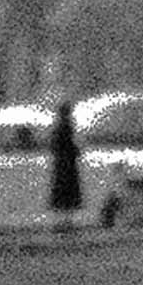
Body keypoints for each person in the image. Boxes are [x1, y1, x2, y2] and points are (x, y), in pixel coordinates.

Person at [47, 95, 84, 227]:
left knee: (60, 190)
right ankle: (67, 220)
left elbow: (54, 145)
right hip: (69, 164)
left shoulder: (57, 128)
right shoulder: (67, 127)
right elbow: (70, 145)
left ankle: (61, 219)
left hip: (60, 164)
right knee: (68, 190)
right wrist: (76, 151)